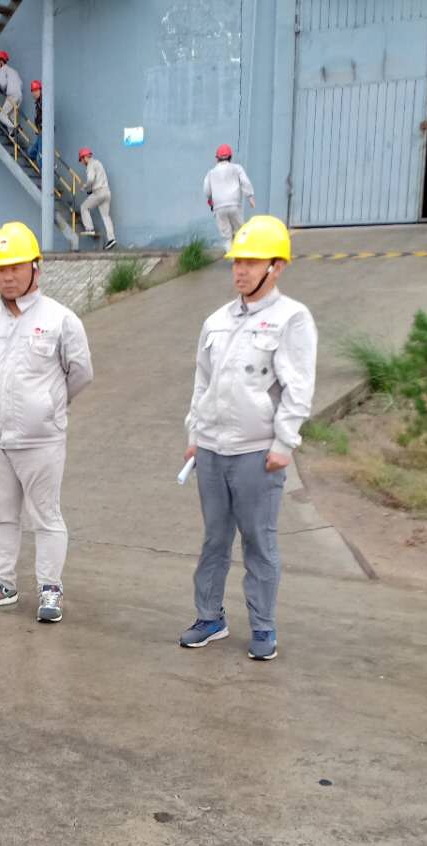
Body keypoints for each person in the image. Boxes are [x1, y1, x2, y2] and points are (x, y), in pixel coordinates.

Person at [180, 216, 315, 661]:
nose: (240, 270)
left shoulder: (291, 319)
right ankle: (209, 617)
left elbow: (298, 387)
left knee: (259, 540)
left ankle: (263, 626)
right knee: (214, 539)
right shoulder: (216, 321)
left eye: (251, 262)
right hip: (212, 449)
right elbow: (202, 382)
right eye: (237, 261)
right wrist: (195, 433)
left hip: (257, 453)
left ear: (277, 267)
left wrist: (284, 443)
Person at [0, 221, 93, 623]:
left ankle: (50, 588)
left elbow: (81, 372)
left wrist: (51, 406)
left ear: (36, 267)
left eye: (16, 267)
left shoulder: (60, 319)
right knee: (1, 514)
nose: (7, 276)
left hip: (41, 441)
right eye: (1, 269)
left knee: (46, 516)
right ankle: (2, 583)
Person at [204, 144, 256, 249]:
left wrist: (210, 199)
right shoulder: (237, 168)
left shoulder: (211, 173)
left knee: (226, 236)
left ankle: (232, 256)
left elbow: (207, 190)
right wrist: (250, 196)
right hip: (234, 205)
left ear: (217, 158)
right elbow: (245, 182)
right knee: (241, 231)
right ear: (230, 157)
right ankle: (243, 254)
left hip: (219, 207)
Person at [77, 148, 117, 250]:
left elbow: (91, 179)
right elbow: (98, 179)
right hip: (106, 192)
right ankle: (111, 239)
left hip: (99, 192)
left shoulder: (90, 165)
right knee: (106, 216)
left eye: (81, 160)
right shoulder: (98, 163)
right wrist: (91, 190)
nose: (82, 163)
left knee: (84, 207)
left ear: (85, 157)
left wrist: (85, 187)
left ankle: (89, 228)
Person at [0, 51, 22, 135]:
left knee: (1, 116)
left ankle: (15, 127)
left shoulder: (2, 69)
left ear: (1, 61)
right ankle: (12, 136)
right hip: (19, 96)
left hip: (12, 95)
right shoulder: (14, 71)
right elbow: (20, 83)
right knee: (10, 118)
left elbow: (2, 83)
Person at [28, 79, 43, 165]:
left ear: (40, 90)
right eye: (33, 91)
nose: (34, 93)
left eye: (36, 90)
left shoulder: (43, 102)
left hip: (44, 132)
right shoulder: (38, 102)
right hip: (40, 132)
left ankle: (47, 169)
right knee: (31, 152)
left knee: (41, 159)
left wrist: (41, 126)